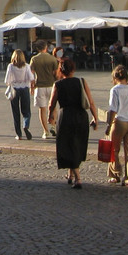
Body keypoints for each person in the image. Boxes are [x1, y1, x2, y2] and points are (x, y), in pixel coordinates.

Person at [47, 57, 99, 189]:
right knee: (76, 145)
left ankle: (78, 178)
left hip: (65, 117)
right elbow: (91, 102)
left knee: (68, 146)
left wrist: (50, 116)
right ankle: (70, 175)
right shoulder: (81, 81)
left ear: (61, 70)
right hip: (81, 116)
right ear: (73, 69)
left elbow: (51, 104)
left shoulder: (58, 84)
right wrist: (95, 118)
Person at [29, 39, 59, 138]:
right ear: (46, 47)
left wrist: (32, 86)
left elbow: (31, 74)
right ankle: (53, 126)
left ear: (37, 48)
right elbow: (56, 74)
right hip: (51, 85)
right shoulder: (52, 59)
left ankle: (45, 131)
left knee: (42, 109)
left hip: (40, 86)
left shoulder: (34, 59)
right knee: (53, 107)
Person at [3, 49, 34, 140]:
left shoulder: (11, 66)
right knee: (26, 110)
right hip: (24, 88)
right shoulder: (27, 66)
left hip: (14, 89)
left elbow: (7, 80)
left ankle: (19, 134)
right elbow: (31, 78)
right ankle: (25, 125)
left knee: (15, 112)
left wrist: (11, 83)